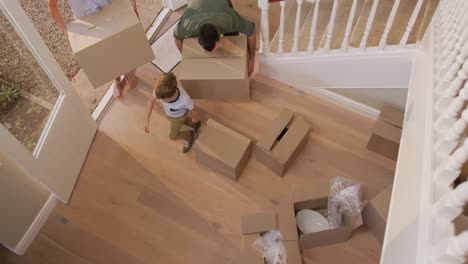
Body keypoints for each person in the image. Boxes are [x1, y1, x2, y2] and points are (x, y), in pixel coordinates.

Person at [48, 0, 139, 98]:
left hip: (110, 9)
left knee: (119, 44)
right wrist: (65, 31)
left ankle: (126, 70)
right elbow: (52, 6)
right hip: (87, 22)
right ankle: (116, 79)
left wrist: (133, 7)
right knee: (104, 53)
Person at [173, 0, 256, 76]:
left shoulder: (229, 20)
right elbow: (177, 40)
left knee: (233, 35)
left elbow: (252, 31)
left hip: (220, 9)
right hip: (197, 9)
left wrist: (252, 58)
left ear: (219, 37)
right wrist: (186, 58)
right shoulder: (187, 25)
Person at [144, 73, 201, 154]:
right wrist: (146, 120)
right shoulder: (160, 90)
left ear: (173, 94)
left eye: (163, 99)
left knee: (173, 136)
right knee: (181, 120)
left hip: (178, 117)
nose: (160, 100)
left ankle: (190, 136)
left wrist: (195, 118)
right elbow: (150, 100)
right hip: (172, 115)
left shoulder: (185, 99)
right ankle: (195, 125)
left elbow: (194, 108)